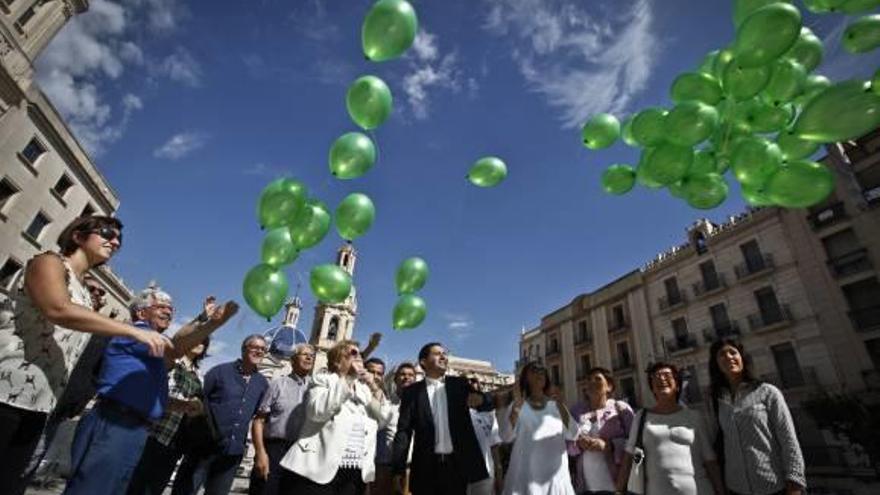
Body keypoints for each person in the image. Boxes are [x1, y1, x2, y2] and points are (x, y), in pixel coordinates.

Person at [0, 216, 169, 492]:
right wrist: (133, 330)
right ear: (78, 236)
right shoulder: (49, 262)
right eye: (106, 233)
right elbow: (58, 308)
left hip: (39, 404)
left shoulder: (87, 295)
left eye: (119, 239)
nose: (114, 241)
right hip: (6, 392)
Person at [63, 287, 237, 495]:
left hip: (135, 428)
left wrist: (182, 405)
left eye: (171, 308)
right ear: (141, 312)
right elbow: (176, 348)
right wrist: (212, 324)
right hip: (115, 423)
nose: (168, 312)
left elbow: (151, 394)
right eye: (161, 306)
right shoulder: (137, 333)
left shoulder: (150, 344)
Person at [278, 339, 392, 494]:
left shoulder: (364, 390)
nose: (357, 358)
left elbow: (384, 420)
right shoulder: (323, 380)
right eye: (352, 354)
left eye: (359, 355)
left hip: (354, 473)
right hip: (318, 469)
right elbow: (317, 412)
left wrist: (373, 387)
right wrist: (349, 378)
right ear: (337, 362)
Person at [172, 335, 271, 495]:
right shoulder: (219, 372)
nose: (259, 351)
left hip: (232, 454)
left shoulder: (262, 383)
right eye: (254, 347)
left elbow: (258, 417)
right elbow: (198, 401)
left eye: (262, 349)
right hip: (203, 448)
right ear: (244, 349)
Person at [392, 342, 492, 495]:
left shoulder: (459, 385)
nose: (443, 356)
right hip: (425, 469)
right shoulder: (412, 392)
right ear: (423, 362)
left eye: (444, 353)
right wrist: (398, 469)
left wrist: (481, 400)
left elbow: (487, 404)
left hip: (457, 467)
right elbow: (403, 432)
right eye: (437, 353)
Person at [709, 339, 805, 495]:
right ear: (716, 364)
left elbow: (788, 439)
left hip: (773, 486)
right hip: (736, 488)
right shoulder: (716, 401)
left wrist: (794, 483)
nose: (728, 357)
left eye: (733, 352)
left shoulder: (767, 392)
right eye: (721, 354)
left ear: (742, 358)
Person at [615, 362, 724, 495]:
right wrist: (619, 491)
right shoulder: (641, 417)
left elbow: (710, 460)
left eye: (667, 375)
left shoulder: (694, 416)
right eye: (656, 377)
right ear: (653, 389)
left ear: (677, 385)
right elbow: (628, 456)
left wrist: (720, 491)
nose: (661, 378)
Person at [126, 337, 211, 495]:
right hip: (153, 432)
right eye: (199, 339)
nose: (199, 344)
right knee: (135, 484)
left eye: (204, 343)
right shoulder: (172, 363)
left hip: (174, 440)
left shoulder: (198, 376)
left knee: (155, 487)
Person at [249, 343, 316, 495]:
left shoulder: (315, 389)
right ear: (292, 360)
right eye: (304, 354)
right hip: (274, 450)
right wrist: (260, 453)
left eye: (311, 355)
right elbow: (259, 421)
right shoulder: (277, 385)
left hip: (299, 453)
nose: (309, 357)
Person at [501, 361, 576, 495]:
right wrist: (517, 408)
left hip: (556, 480)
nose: (539, 372)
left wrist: (561, 404)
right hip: (523, 480)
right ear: (525, 378)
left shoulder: (557, 405)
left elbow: (573, 434)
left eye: (542, 370)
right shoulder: (516, 405)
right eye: (534, 369)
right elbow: (506, 436)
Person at [568, 367, 633, 495]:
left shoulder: (620, 408)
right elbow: (568, 447)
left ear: (609, 386)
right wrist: (578, 445)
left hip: (616, 487)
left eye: (597, 379)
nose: (592, 383)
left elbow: (635, 442)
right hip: (585, 488)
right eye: (588, 380)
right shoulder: (576, 411)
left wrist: (609, 446)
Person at [372, 361, 417, 495]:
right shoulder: (385, 403)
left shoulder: (420, 407)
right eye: (402, 374)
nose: (406, 377)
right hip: (384, 468)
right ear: (395, 379)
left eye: (410, 375)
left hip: (410, 469)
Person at [466, 377, 503, 495]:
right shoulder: (454, 415)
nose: (472, 383)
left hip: (486, 476)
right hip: (461, 477)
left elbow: (494, 448)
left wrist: (499, 476)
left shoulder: (489, 415)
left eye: (474, 381)